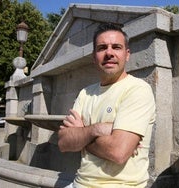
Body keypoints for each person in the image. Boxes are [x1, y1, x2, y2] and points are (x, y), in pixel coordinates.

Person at [58, 23, 156, 188]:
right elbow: (63, 143)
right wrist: (97, 129)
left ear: (127, 54)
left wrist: (82, 134)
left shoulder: (137, 89)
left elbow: (118, 152)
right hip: (79, 184)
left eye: (116, 47)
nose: (109, 53)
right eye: (102, 47)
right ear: (94, 56)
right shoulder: (85, 93)